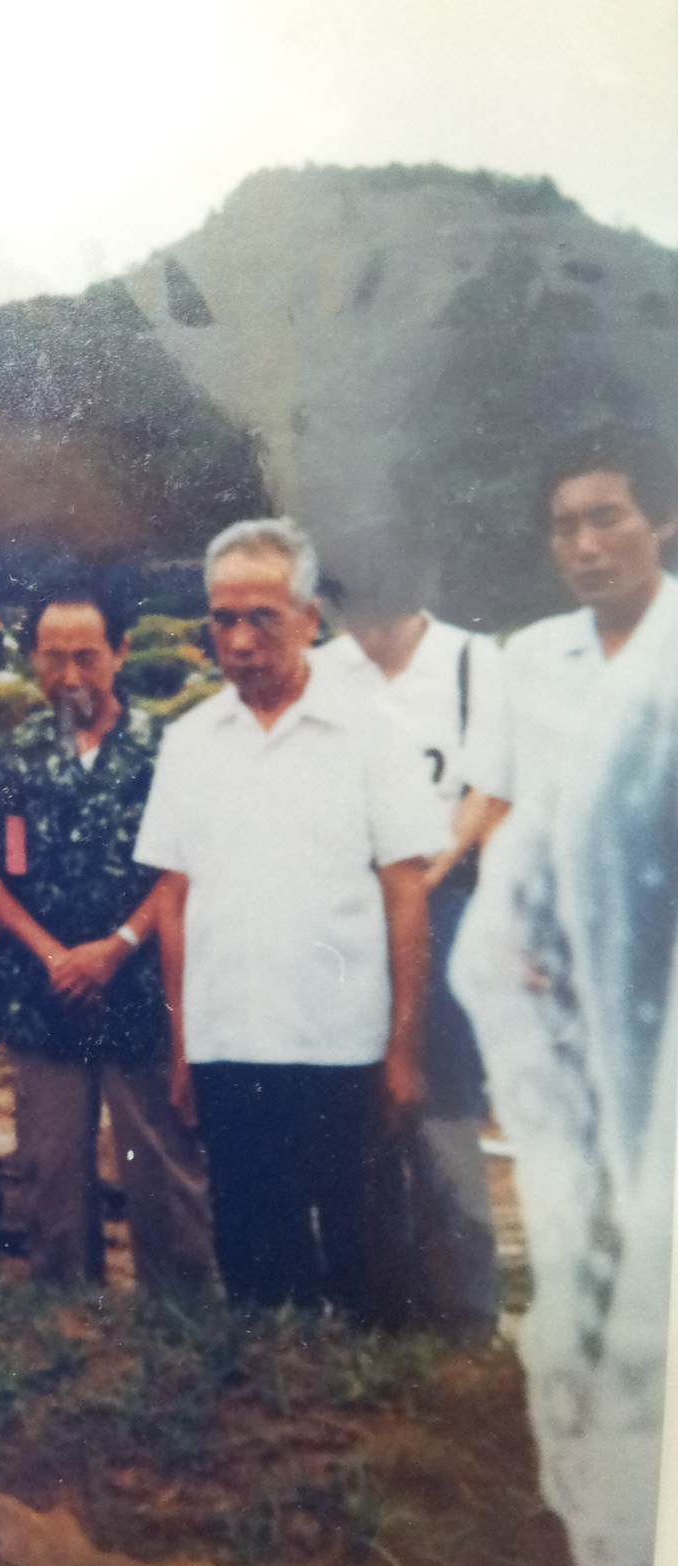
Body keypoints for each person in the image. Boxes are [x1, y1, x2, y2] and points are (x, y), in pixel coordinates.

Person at [451, 425, 678, 1566]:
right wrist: (486, 912)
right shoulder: (529, 661)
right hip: (564, 1016)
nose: (586, 545)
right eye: (566, 526)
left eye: (609, 518)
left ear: (661, 522)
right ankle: (601, 1557)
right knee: (585, 1263)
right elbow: (500, 813)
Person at [134, 516, 446, 1315]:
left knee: (363, 1263)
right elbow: (175, 901)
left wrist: (403, 1050)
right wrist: (183, 1048)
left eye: (262, 618)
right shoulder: (189, 742)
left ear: (309, 619)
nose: (240, 640)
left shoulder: (374, 735)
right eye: (223, 619)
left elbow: (406, 895)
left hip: (341, 1047)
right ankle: (271, 1388)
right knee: (255, 1267)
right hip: (229, 1045)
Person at [0, 584, 214, 1291]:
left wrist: (116, 947)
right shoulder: (14, 756)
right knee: (51, 1178)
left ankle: (178, 1321)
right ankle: (67, 1325)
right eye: (53, 657)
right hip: (45, 997)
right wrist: (55, 956)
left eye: (87, 657)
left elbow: (184, 869)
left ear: (120, 653)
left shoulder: (165, 750)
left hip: (144, 988)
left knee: (163, 1170)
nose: (70, 675)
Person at [315, 522, 506, 1338]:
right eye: (350, 612)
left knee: (442, 1102)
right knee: (359, 1098)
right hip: (352, 908)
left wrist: (430, 868)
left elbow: (490, 786)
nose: (366, 632)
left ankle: (465, 1312)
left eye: (381, 613)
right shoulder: (327, 670)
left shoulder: (471, 660)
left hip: (444, 897)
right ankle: (377, 1309)